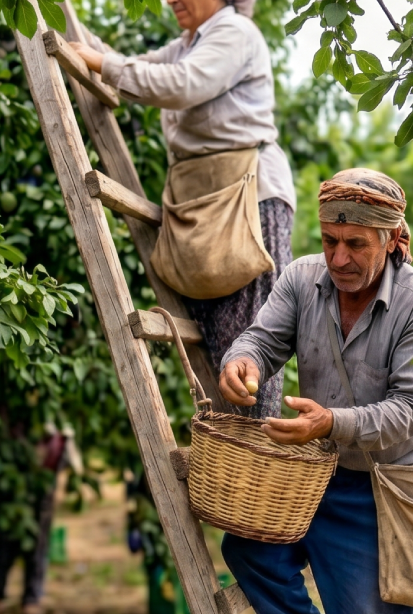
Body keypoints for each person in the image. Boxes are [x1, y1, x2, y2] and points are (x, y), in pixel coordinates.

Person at [216, 169, 413, 614]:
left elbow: (411, 412)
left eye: (356, 244)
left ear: (390, 240)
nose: (339, 258)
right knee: (249, 548)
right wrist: (241, 361)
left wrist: (329, 423)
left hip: (385, 490)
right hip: (317, 477)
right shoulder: (301, 278)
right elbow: (260, 339)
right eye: (330, 241)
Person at [70, 0, 297, 418]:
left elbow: (180, 84)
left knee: (249, 339)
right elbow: (129, 66)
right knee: (220, 341)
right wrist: (75, 34)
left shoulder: (235, 33)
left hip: (245, 195)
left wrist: (104, 62)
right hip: (205, 197)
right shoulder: (188, 44)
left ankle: (252, 456)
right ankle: (237, 452)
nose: (171, 0)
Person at [0, 425, 79, 614]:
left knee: (38, 546)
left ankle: (32, 599)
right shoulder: (8, 415)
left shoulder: (54, 422)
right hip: (8, 489)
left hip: (42, 490)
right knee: (3, 545)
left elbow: (68, 458)